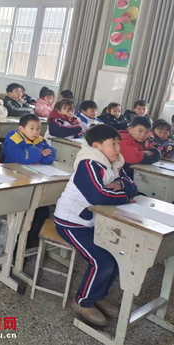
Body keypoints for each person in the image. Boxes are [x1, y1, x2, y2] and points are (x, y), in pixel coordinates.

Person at [54, 124, 137, 327]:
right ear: (97, 146)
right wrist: (124, 197)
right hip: (70, 222)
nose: (118, 148)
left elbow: (133, 186)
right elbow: (98, 196)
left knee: (116, 257)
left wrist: (122, 186)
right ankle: (83, 302)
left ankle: (98, 295)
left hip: (92, 222)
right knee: (102, 261)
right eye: (112, 144)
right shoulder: (88, 164)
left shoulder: (114, 164)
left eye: (118, 144)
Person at [3, 113, 56, 248]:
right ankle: (19, 244)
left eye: (38, 128)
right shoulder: (14, 138)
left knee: (43, 210)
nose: (35, 132)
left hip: (33, 179)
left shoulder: (39, 139)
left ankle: (30, 241)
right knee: (30, 211)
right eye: (31, 128)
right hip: (14, 181)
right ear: (21, 129)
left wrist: (35, 157)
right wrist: (39, 154)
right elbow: (18, 157)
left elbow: (51, 154)